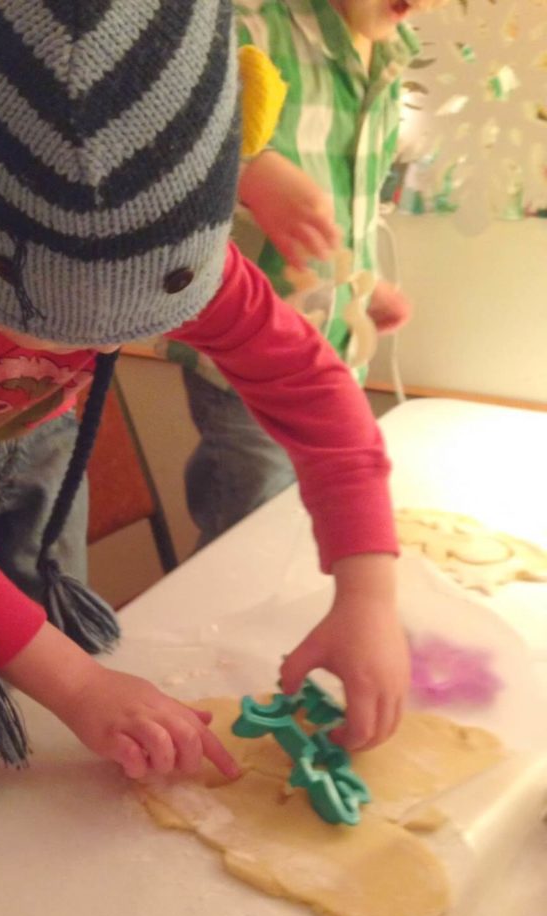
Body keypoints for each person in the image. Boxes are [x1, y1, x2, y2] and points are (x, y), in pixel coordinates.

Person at [0, 0, 409, 802]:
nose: (57, 343)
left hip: (40, 423)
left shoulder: (172, 240)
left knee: (47, 625)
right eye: (18, 306)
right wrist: (77, 689)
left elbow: (310, 386)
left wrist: (368, 594)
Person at [165, 0, 445, 548]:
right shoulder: (248, 24)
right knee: (246, 545)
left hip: (333, 354)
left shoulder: (388, 53)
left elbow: (348, 199)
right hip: (250, 358)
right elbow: (157, 129)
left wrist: (363, 283)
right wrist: (249, 169)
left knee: (303, 539)